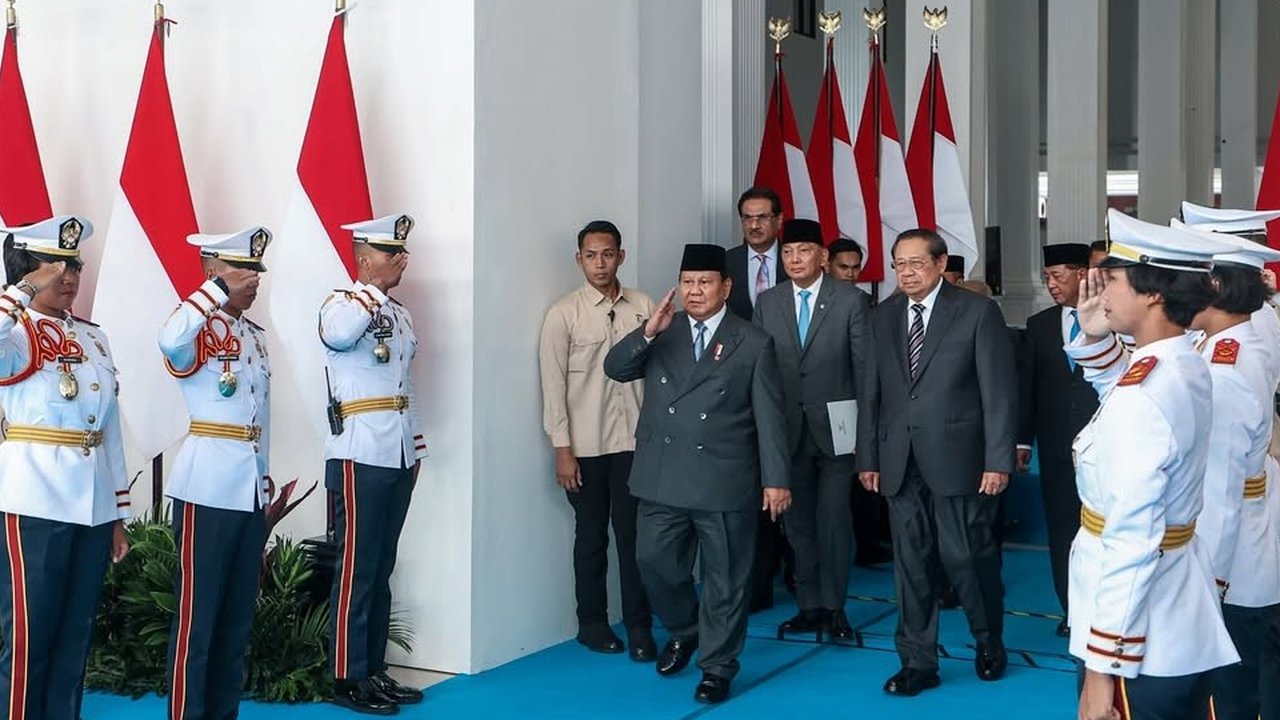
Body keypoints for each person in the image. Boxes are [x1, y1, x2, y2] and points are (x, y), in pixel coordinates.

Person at [1066, 210, 1239, 720]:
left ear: (1153, 294)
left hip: (1141, 636)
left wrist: (1102, 673)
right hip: (1176, 608)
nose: (1099, 289)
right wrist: (1096, 337)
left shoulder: (1151, 390)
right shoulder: (1178, 361)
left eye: (1112, 279)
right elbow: (1128, 392)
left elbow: (1131, 536)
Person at [603, 244, 790, 705]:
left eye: (705, 282)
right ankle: (686, 630)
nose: (695, 290)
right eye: (688, 282)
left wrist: (776, 478)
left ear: (726, 287)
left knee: (727, 579)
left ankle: (718, 666)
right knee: (653, 562)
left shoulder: (753, 341)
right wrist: (647, 332)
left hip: (725, 479)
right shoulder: (663, 330)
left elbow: (770, 416)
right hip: (663, 475)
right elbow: (615, 368)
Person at [857, 228, 1017, 696]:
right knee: (911, 564)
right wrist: (868, 455)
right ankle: (917, 661)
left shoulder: (976, 312)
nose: (905, 272)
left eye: (916, 263)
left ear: (941, 263)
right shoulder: (882, 316)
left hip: (961, 459)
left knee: (966, 557)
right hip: (898, 459)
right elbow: (871, 392)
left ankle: (989, 641)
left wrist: (998, 459)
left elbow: (998, 393)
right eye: (898, 264)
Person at [0, 216, 130, 720]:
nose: (68, 274)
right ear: (26, 272)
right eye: (53, 265)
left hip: (92, 503)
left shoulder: (94, 339)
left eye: (73, 263)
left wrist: (117, 511)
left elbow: (109, 429)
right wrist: (21, 289)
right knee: (30, 639)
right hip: (33, 498)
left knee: (74, 639)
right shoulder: (16, 332)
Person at [161, 227, 273, 720]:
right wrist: (215, 292)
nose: (253, 281)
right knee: (197, 621)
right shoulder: (195, 331)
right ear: (212, 274)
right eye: (242, 272)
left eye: (256, 272)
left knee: (235, 621)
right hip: (205, 488)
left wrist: (264, 479)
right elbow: (168, 339)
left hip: (246, 488)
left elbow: (259, 418)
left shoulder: (253, 337)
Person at [321, 214, 428, 714]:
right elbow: (340, 337)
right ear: (365, 261)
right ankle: (347, 675)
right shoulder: (342, 305)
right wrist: (373, 288)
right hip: (359, 452)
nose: (401, 260)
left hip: (396, 451)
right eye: (391, 254)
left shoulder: (400, 313)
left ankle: (374, 669)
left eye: (402, 253)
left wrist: (415, 448)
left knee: (381, 565)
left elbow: (403, 384)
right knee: (356, 570)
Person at [1176, 219, 1280, 720]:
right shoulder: (1217, 345)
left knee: (1232, 691)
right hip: (1237, 543)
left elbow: (1219, 488)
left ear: (1214, 286)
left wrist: (1207, 576)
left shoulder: (1229, 366)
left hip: (1227, 558)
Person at [538, 220, 656, 660]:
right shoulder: (563, 314)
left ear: (621, 256)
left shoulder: (643, 306)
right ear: (579, 259)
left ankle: (640, 625)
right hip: (584, 449)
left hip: (633, 445)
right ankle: (592, 623)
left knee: (635, 539)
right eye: (591, 255)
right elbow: (552, 386)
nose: (600, 263)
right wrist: (562, 449)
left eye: (608, 254)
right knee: (590, 539)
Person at [752, 219, 869, 641]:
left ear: (822, 256)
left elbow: (863, 371)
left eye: (804, 251)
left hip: (838, 431)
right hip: (786, 431)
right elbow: (761, 371)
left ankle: (835, 608)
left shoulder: (850, 301)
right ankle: (809, 605)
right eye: (788, 253)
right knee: (797, 524)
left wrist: (865, 437)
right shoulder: (768, 301)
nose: (795, 259)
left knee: (834, 520)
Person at [1015, 242, 1097, 638]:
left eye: (1058, 275)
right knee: (1062, 532)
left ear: (1082, 274)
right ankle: (1071, 609)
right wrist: (1021, 441)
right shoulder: (1040, 325)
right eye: (1046, 276)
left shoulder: (1110, 318)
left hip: (1102, 450)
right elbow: (1026, 388)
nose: (1050, 284)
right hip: (1055, 448)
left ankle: (1102, 610)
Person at [724, 186, 794, 612]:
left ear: (778, 219)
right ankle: (757, 585)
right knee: (751, 490)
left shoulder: (798, 259)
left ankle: (800, 576)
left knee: (791, 486)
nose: (754, 225)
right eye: (747, 218)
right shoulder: (725, 265)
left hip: (793, 390)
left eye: (763, 217)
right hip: (738, 395)